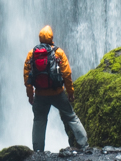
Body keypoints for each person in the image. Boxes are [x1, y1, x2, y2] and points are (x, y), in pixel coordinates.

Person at [24, 25, 90, 153]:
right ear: (51, 37)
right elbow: (67, 74)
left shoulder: (32, 53)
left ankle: (38, 151)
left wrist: (30, 95)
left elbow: (27, 76)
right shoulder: (58, 52)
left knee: (39, 120)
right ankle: (84, 145)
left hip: (40, 94)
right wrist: (70, 92)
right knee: (71, 117)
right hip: (57, 93)